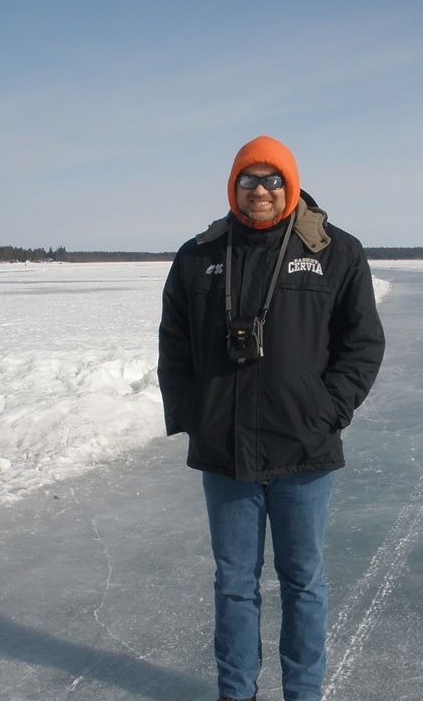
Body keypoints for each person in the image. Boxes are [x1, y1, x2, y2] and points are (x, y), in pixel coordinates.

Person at [158, 135, 385, 701]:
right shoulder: (199, 255)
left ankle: (302, 694)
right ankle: (236, 692)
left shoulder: (336, 251)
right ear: (233, 186)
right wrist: (193, 413)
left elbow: (362, 344)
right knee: (234, 583)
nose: (260, 190)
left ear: (291, 183)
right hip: (225, 450)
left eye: (272, 179)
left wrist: (327, 411)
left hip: (303, 451)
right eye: (248, 180)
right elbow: (174, 346)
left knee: (302, 581)